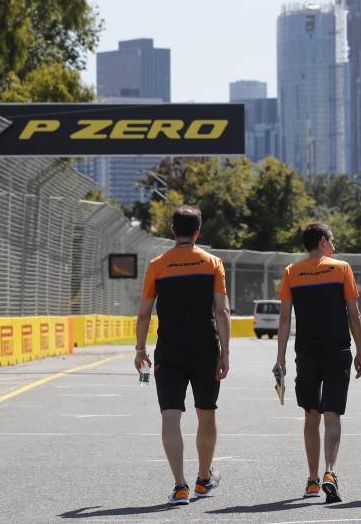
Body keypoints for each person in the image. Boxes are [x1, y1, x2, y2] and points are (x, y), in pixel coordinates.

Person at [134, 205, 231, 504]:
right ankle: (203, 479)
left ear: (173, 230)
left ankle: (180, 486)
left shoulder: (157, 264)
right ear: (198, 231)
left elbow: (144, 313)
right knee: (206, 413)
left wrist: (140, 349)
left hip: (169, 351)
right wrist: (225, 353)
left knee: (170, 418)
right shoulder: (212, 262)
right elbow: (222, 310)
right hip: (205, 349)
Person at [273, 223, 361, 503]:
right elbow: (354, 314)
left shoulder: (292, 272)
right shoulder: (341, 268)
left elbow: (285, 319)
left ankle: (313, 481)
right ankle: (330, 473)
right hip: (338, 350)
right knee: (332, 414)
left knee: (311, 415)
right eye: (333, 241)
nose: (334, 247)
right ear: (323, 241)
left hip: (307, 353)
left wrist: (280, 358)